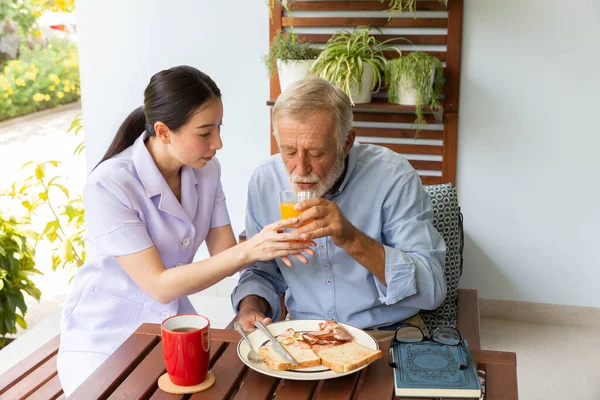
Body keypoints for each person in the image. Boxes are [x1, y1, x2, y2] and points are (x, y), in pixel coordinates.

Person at [57, 66, 314, 395]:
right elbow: (160, 286)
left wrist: (270, 249)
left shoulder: (205, 171)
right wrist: (252, 248)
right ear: (163, 132)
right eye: (205, 133)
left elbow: (224, 254)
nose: (218, 143)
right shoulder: (110, 184)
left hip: (175, 326)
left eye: (219, 128)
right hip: (106, 333)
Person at [232, 77, 447, 338]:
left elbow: (433, 288)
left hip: (387, 333)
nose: (301, 169)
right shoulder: (264, 181)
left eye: (316, 153)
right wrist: (249, 307)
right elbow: (260, 270)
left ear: (346, 143)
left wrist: (352, 238)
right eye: (288, 152)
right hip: (304, 334)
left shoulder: (394, 177)